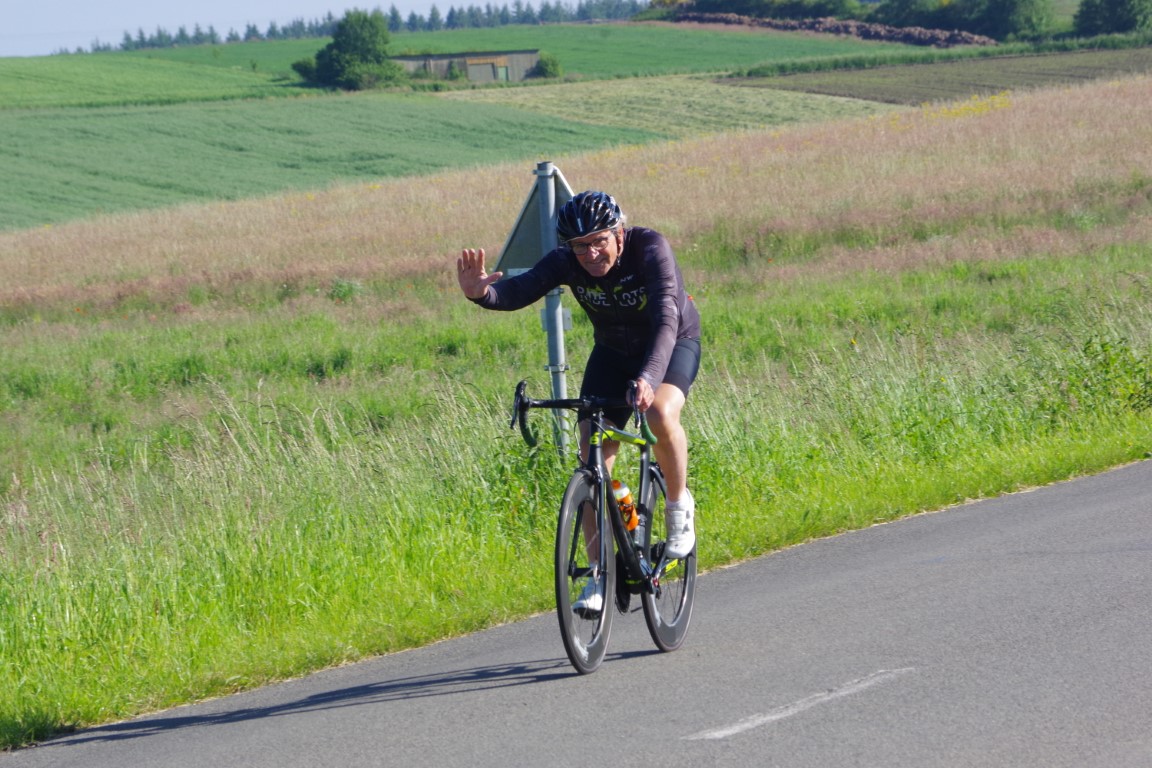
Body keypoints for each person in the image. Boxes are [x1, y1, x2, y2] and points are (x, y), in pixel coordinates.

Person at [456, 190, 701, 613]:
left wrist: (648, 378)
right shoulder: (566, 261)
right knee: (592, 457)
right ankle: (597, 577)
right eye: (580, 246)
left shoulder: (649, 248)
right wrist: (480, 295)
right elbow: (519, 291)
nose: (590, 254)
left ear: (619, 234)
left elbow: (666, 318)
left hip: (672, 343)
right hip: (613, 353)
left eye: (599, 241)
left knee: (660, 413)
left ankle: (679, 509)